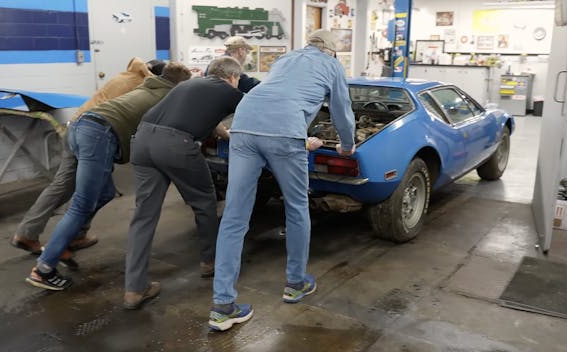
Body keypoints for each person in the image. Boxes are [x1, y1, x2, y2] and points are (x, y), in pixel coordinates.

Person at [208, 29, 356, 331]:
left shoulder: (286, 58)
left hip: (244, 123)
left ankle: (222, 306)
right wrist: (348, 146)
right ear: (332, 51)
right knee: (297, 208)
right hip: (286, 130)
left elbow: (276, 90)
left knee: (234, 217)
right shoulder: (332, 65)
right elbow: (342, 111)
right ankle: (296, 282)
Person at [24, 62, 192, 291]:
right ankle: (43, 269)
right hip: (97, 134)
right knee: (82, 204)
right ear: (180, 85)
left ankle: (68, 238)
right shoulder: (168, 97)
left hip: (79, 127)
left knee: (105, 193)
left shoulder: (146, 85)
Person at [123, 56, 244, 309]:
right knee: (204, 201)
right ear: (233, 77)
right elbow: (257, 112)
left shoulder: (189, 85)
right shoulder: (228, 90)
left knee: (144, 215)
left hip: (142, 140)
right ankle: (209, 262)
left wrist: (224, 133)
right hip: (176, 145)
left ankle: (134, 288)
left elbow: (206, 119)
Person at [10, 57, 156, 259]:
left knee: (61, 186)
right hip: (94, 136)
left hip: (74, 127)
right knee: (97, 194)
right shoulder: (143, 87)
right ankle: (68, 239)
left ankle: (27, 233)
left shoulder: (125, 76)